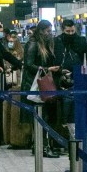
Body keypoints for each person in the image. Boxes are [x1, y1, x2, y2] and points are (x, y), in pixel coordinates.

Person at [21, 20, 64, 157]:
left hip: (44, 83)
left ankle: (42, 145)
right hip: (36, 84)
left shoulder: (46, 44)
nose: (49, 34)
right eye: (47, 31)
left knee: (45, 115)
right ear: (40, 31)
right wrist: (47, 69)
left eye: (50, 31)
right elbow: (28, 64)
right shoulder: (33, 44)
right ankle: (42, 147)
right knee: (41, 116)